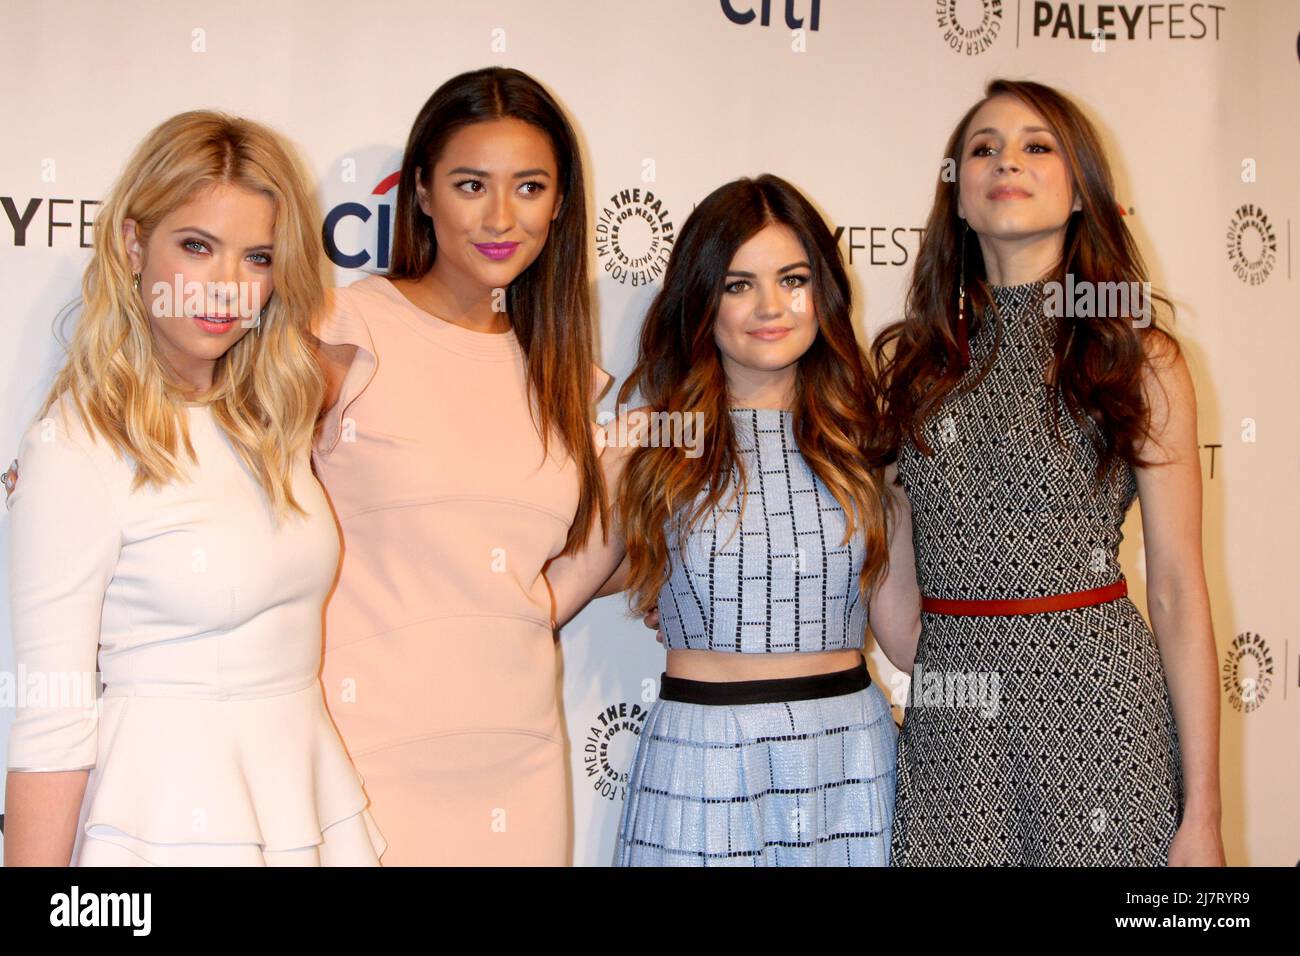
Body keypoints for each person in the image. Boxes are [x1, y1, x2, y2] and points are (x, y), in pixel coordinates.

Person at [4, 111, 384, 866]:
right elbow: (53, 713)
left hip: (300, 798)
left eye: (257, 258)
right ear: (132, 245)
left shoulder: (268, 416)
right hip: (163, 823)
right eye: (197, 247)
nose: (225, 289)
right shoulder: (78, 446)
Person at [874, 79, 1224, 866]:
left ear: (1079, 193)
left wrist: (1202, 814)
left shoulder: (1140, 358)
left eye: (1038, 146)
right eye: (983, 148)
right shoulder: (911, 368)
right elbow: (891, 578)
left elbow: (1175, 587)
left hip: (1100, 710)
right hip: (953, 724)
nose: (1008, 162)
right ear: (957, 197)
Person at [546, 175, 921, 866]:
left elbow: (905, 640)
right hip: (703, 758)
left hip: (851, 756)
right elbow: (557, 593)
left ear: (824, 294)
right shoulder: (651, 443)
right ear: (703, 299)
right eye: (738, 284)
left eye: (793, 278)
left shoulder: (867, 446)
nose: (770, 306)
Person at [309, 67, 609, 865]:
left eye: (531, 187)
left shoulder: (567, 376)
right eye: (472, 183)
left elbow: (539, 587)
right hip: (358, 759)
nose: (502, 216)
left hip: (521, 764)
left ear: (561, 205)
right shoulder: (346, 332)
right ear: (422, 192)